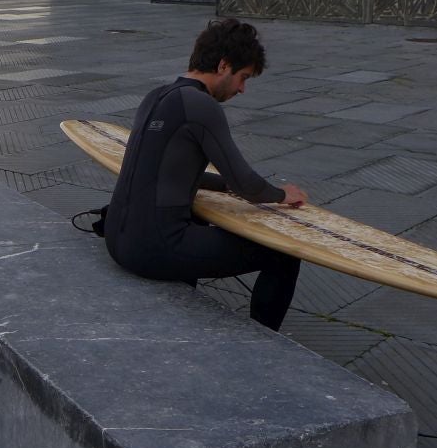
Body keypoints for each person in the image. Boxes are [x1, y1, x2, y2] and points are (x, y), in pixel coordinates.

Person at [103, 18, 308, 331]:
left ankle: (185, 312)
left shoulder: (156, 96)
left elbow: (168, 171)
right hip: (151, 250)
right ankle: (265, 349)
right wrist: (282, 195)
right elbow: (246, 183)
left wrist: (223, 186)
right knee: (282, 253)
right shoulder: (201, 105)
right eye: (242, 77)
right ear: (223, 65)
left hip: (118, 237)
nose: (242, 89)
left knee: (192, 214)